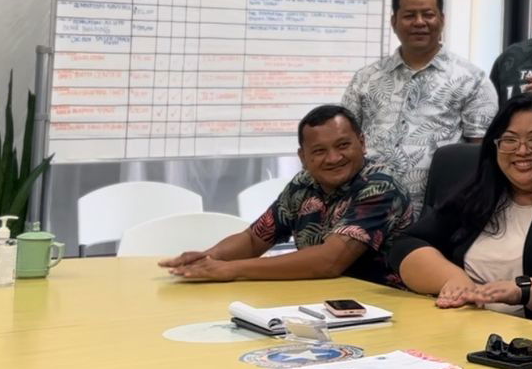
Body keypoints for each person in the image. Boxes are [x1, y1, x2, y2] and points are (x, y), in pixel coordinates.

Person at [386, 93, 532, 324]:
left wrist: (520, 291)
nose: (521, 151)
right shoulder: (480, 193)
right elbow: (406, 245)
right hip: (460, 325)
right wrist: (455, 280)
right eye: (509, 140)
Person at [160, 105, 412, 285]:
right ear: (303, 157)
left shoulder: (380, 185)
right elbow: (253, 239)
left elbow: (329, 261)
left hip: (381, 303)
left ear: (362, 143)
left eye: (343, 145)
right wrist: (208, 258)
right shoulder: (304, 183)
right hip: (318, 299)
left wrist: (230, 269)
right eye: (319, 151)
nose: (334, 158)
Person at [342, 0, 498, 200]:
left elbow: (481, 154)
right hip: (365, 206)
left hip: (438, 209)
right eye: (409, 15)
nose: (419, 22)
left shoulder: (472, 80)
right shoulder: (366, 78)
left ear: (442, 20)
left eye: (428, 14)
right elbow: (344, 139)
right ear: (394, 21)